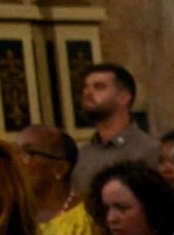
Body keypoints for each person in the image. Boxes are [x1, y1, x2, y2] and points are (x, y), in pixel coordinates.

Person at [68, 63, 161, 198]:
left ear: (123, 97)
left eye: (99, 87)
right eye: (85, 87)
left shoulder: (149, 150)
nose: (87, 93)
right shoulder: (81, 156)